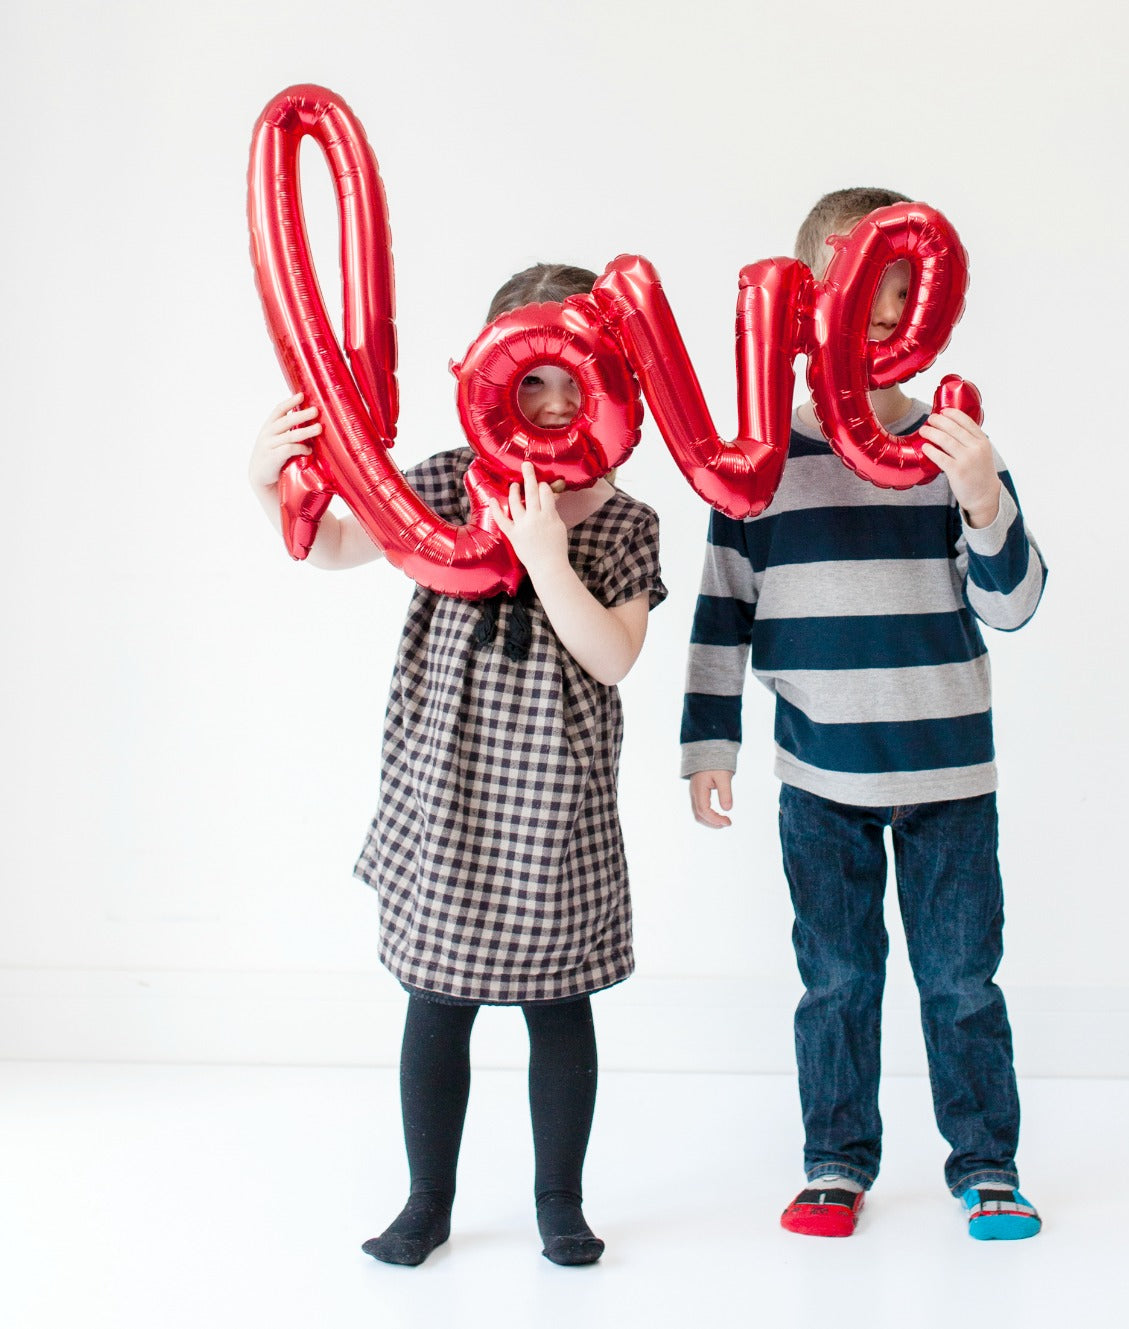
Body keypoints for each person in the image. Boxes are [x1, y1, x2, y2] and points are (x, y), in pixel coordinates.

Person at [249, 263, 667, 1267]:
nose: (558, 404)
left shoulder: (623, 521)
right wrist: (268, 482)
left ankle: (559, 1203)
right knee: (436, 1002)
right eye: (534, 382)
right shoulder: (443, 479)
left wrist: (548, 557)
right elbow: (333, 548)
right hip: (444, 789)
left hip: (553, 805)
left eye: (578, 381)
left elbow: (611, 657)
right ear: (492, 378)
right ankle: (426, 1199)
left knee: (557, 1006)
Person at [682, 189, 1046, 1241]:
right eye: (858, 298)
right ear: (807, 307)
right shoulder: (760, 466)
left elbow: (1014, 604)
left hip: (947, 779)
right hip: (820, 779)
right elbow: (723, 605)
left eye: (900, 297)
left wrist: (983, 499)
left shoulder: (954, 449)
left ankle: (987, 1163)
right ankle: (835, 1159)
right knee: (836, 982)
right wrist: (712, 741)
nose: (880, 319)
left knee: (961, 983)